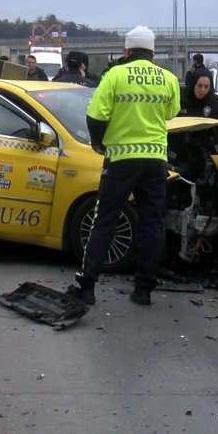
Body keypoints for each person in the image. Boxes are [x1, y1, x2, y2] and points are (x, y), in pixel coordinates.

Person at [66, 26, 181, 307]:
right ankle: (143, 289)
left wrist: (99, 144)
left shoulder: (115, 75)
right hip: (156, 160)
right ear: (152, 52)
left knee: (104, 220)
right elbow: (172, 112)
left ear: (126, 51)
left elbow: (95, 115)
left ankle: (86, 285)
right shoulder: (168, 78)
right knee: (152, 222)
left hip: (121, 159)